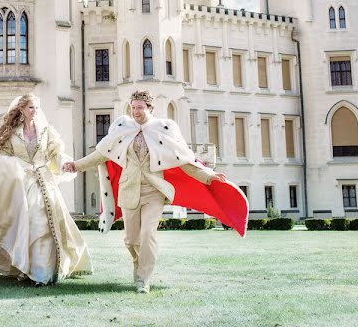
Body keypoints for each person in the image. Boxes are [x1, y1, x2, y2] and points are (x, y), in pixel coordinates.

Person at [63, 90, 248, 293]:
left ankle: (143, 279)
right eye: (133, 107)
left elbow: (183, 160)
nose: (135, 112)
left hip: (154, 191)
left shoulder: (163, 130)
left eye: (140, 108)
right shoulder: (123, 129)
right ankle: (138, 267)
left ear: (150, 109)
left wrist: (208, 176)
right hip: (129, 190)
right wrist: (76, 165)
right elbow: (101, 154)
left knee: (148, 233)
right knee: (131, 240)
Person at [0, 94, 92, 284]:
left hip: (44, 182)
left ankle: (43, 272)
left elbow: (55, 153)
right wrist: (17, 166)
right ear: (22, 110)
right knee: (28, 224)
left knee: (44, 224)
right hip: (21, 184)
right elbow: (3, 157)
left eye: (37, 107)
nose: (35, 111)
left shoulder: (47, 131)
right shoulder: (12, 133)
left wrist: (64, 163)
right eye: (31, 108)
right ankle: (28, 268)